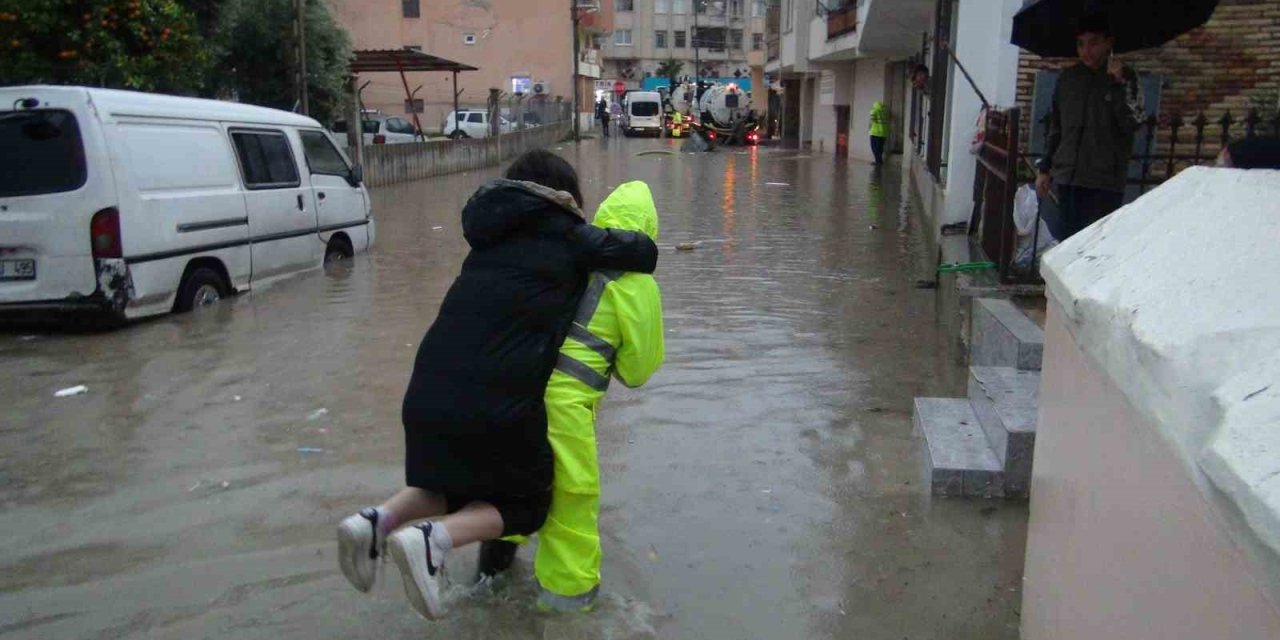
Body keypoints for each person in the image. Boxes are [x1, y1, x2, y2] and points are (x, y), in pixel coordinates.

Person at [335, 150, 658, 621]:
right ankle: (444, 546)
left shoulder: (486, 244)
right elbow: (640, 273)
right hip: (516, 405)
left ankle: (377, 522)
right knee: (531, 504)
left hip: (430, 389)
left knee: (461, 487)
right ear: (565, 200)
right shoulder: (576, 244)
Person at [476, 181, 666, 613]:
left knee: (511, 493)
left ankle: (486, 593)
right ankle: (567, 610)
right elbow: (638, 371)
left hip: (515, 392)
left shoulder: (567, 256)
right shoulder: (636, 286)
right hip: (563, 411)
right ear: (647, 230)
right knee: (571, 507)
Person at [1036, 12, 1145, 240]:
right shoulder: (1068, 79)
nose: (1086, 51)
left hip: (1103, 182)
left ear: (1108, 43)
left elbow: (1132, 123)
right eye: (1081, 44)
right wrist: (1045, 169)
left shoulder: (1127, 78)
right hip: (1068, 178)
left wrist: (1117, 84)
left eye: (1093, 43)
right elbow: (1057, 127)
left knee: (1096, 248)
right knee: (1067, 244)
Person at [869, 100, 889, 165]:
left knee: (874, 147)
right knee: (880, 148)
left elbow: (871, 121)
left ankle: (878, 161)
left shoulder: (874, 110)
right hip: (884, 133)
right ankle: (879, 161)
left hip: (875, 132)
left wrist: (869, 128)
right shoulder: (885, 111)